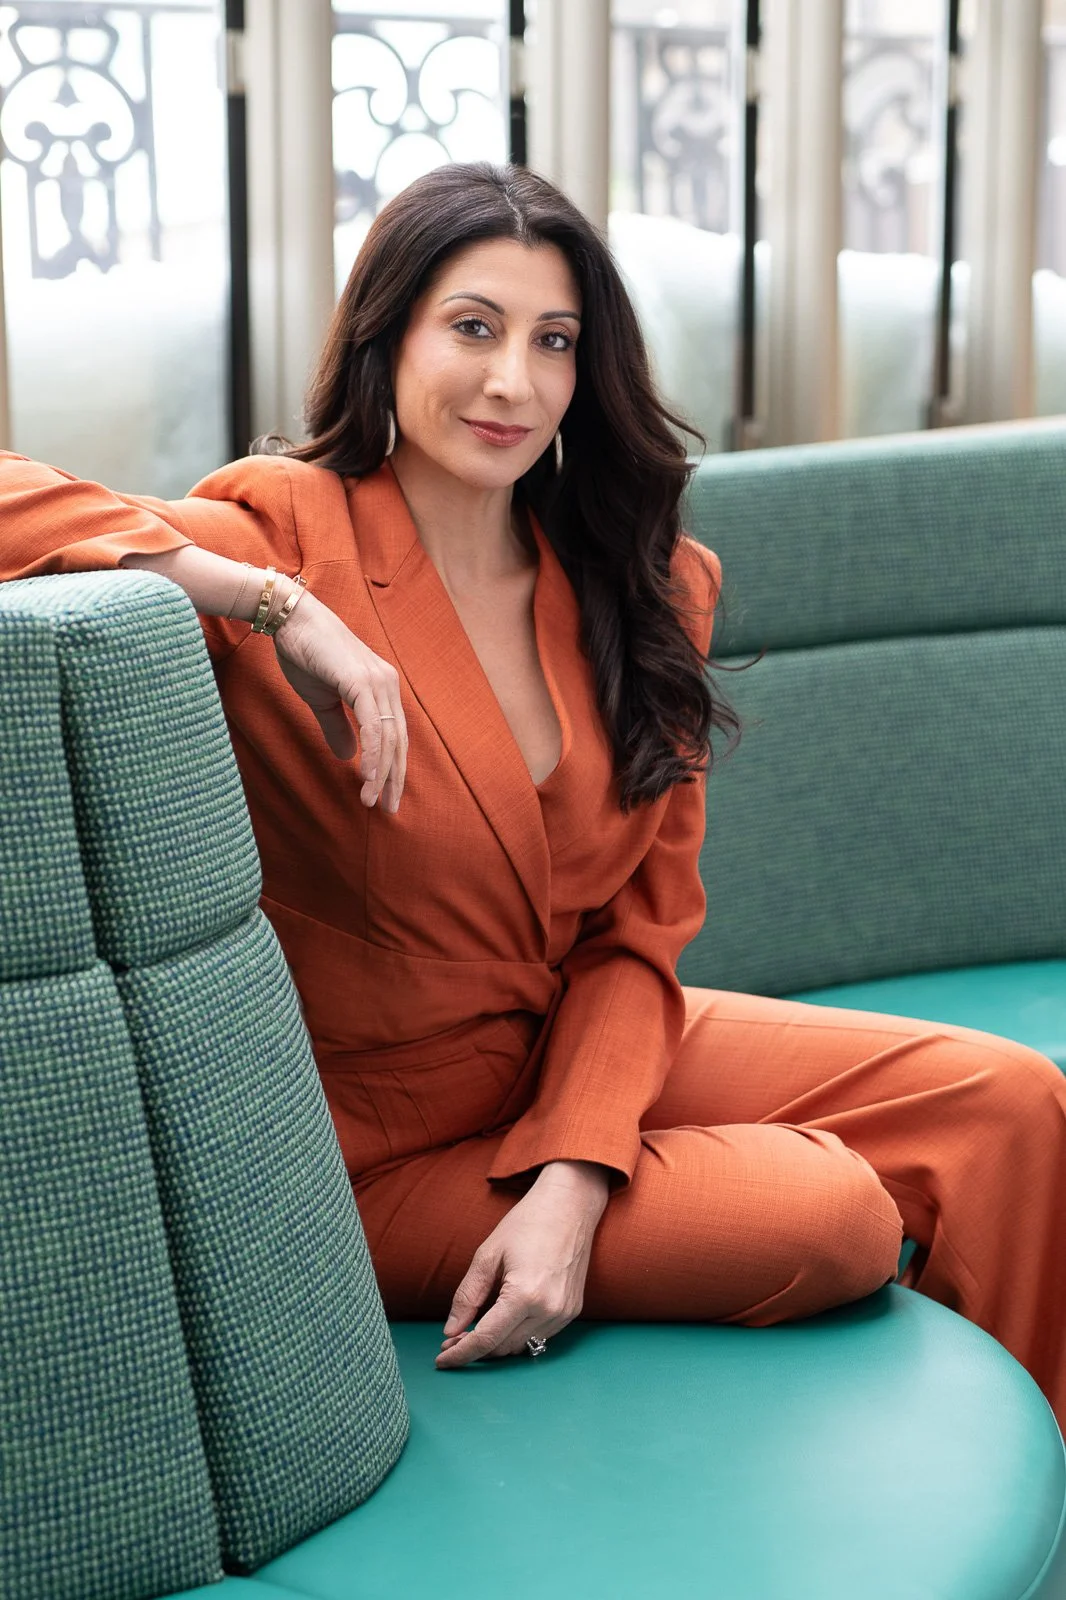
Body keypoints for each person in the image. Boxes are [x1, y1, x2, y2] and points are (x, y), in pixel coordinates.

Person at [5, 163, 1066, 1422]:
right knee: (828, 1213)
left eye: (552, 340)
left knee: (1011, 1105)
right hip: (372, 1147)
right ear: (386, 336)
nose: (512, 380)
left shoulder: (645, 581)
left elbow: (637, 937)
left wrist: (577, 1174)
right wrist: (279, 607)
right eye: (472, 327)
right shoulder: (283, 534)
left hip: (582, 1055)